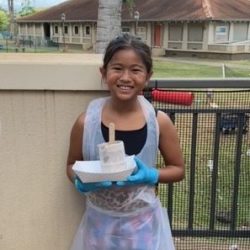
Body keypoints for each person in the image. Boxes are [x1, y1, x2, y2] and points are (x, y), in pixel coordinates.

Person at [66, 34, 185, 250]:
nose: (125, 77)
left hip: (144, 226)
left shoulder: (159, 122)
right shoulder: (86, 123)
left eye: (136, 70)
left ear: (148, 76)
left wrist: (151, 175)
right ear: (104, 73)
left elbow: (178, 169)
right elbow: (71, 165)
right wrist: (80, 180)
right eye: (117, 68)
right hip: (99, 226)